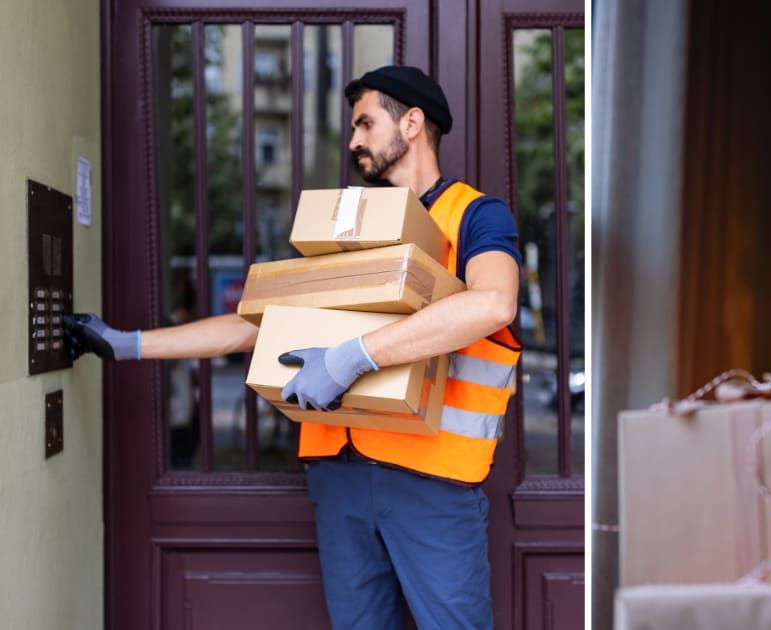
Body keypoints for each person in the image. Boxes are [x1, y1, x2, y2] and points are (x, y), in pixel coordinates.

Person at [64, 65, 521, 630]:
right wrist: (125, 345)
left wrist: (350, 356)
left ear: (412, 122)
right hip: (341, 478)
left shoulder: (475, 216)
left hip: (434, 482)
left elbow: (494, 304)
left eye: (364, 123)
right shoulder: (351, 235)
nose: (352, 140)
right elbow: (258, 326)